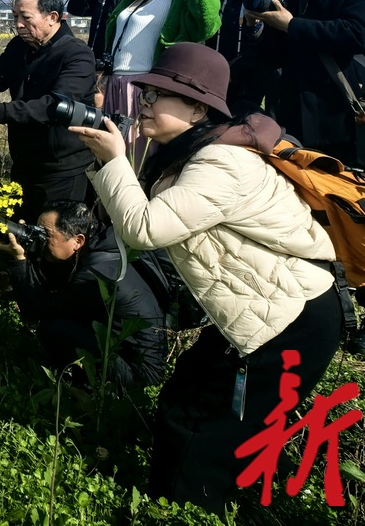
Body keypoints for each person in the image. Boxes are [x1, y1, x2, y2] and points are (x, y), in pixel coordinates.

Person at [70, 43, 344, 510]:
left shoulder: (221, 163)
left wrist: (115, 159)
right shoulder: (192, 152)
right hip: (266, 308)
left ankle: (183, 509)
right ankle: (207, 498)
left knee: (199, 421)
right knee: (186, 394)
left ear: (198, 108)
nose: (146, 103)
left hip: (290, 318)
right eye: (147, 93)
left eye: (160, 95)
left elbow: (145, 228)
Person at [238, 0, 365, 355]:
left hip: (349, 120)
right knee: (305, 217)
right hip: (296, 119)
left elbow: (357, 35)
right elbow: (271, 52)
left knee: (363, 217)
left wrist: (289, 24)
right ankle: (320, 305)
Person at [0, 0, 98, 214]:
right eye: (14, 16)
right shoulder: (20, 46)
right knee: (22, 236)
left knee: (58, 242)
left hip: (61, 168)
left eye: (26, 17)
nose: (18, 25)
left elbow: (56, 107)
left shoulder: (77, 54)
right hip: (24, 162)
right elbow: (0, 73)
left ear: (52, 17)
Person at [0, 200, 167, 390]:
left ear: (78, 240)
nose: (41, 239)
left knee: (53, 328)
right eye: (38, 231)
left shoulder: (96, 275)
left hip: (138, 377)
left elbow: (36, 310)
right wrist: (33, 248)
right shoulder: (107, 244)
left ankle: (74, 388)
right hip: (129, 354)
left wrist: (20, 259)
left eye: (47, 234)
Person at [95, 0, 220, 163]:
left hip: (144, 83)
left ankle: (142, 189)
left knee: (140, 147)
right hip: (116, 82)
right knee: (115, 145)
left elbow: (208, 24)